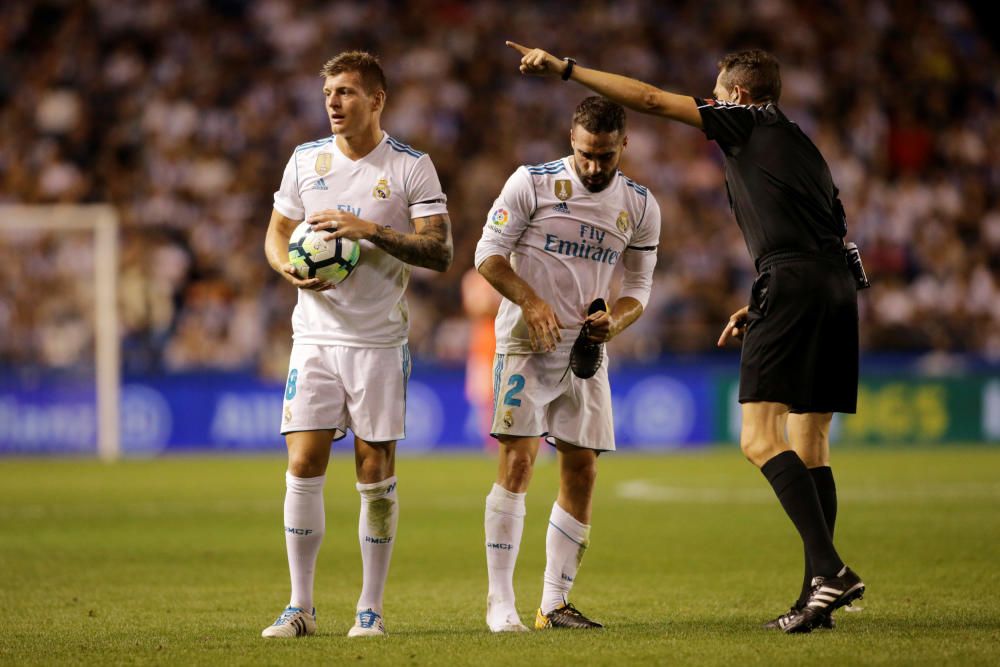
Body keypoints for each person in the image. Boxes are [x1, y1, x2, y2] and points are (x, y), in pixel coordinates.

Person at [505, 42, 865, 633]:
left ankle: (829, 570)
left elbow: (649, 99)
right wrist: (763, 303)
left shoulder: (745, 121)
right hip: (835, 287)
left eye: (718, 92)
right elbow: (824, 228)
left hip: (794, 282)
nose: (712, 102)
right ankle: (816, 595)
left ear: (740, 95)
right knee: (811, 441)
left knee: (758, 438)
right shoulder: (802, 142)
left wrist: (565, 69)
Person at [261, 51, 453, 638]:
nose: (335, 103)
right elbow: (275, 235)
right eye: (328, 94)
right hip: (314, 336)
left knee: (374, 469)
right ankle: (300, 607)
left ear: (377, 99)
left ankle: (369, 609)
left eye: (346, 92)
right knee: (302, 461)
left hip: (377, 340)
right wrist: (286, 270)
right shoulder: (305, 160)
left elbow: (440, 253)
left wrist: (371, 230)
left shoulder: (410, 167)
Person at [475, 96, 661, 632]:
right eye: (585, 154)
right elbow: (486, 254)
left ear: (623, 144)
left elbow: (639, 287)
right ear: (571, 141)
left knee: (583, 468)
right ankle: (499, 602)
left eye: (605, 156)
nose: (594, 166)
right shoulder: (530, 183)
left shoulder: (642, 205)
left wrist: (615, 323)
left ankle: (553, 604)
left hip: (585, 350)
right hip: (524, 343)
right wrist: (531, 301)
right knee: (518, 463)